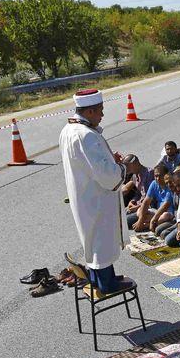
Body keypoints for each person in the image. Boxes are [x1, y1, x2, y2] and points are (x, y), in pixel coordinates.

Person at [60, 89, 131, 293]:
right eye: (99, 110)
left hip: (84, 195)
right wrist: (121, 167)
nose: (102, 115)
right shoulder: (86, 136)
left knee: (93, 239)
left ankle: (100, 276)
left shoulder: (69, 130)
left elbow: (91, 164)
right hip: (96, 198)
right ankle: (106, 283)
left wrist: (110, 161)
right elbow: (108, 176)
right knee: (101, 240)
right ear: (89, 111)